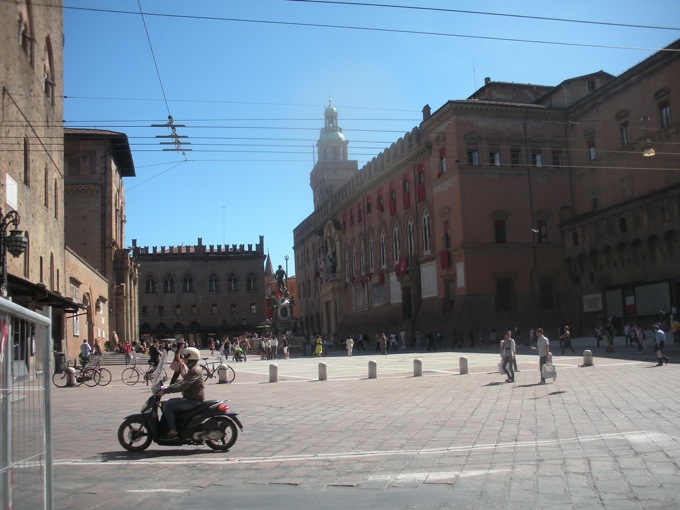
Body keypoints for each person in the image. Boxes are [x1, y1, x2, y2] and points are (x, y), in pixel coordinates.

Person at [156, 347, 205, 439]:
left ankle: (173, 431)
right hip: (190, 397)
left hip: (193, 400)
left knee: (168, 406)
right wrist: (172, 385)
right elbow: (185, 382)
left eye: (184, 357)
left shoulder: (194, 370)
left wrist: (166, 390)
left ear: (189, 357)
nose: (183, 359)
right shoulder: (192, 368)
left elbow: (184, 386)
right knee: (166, 403)